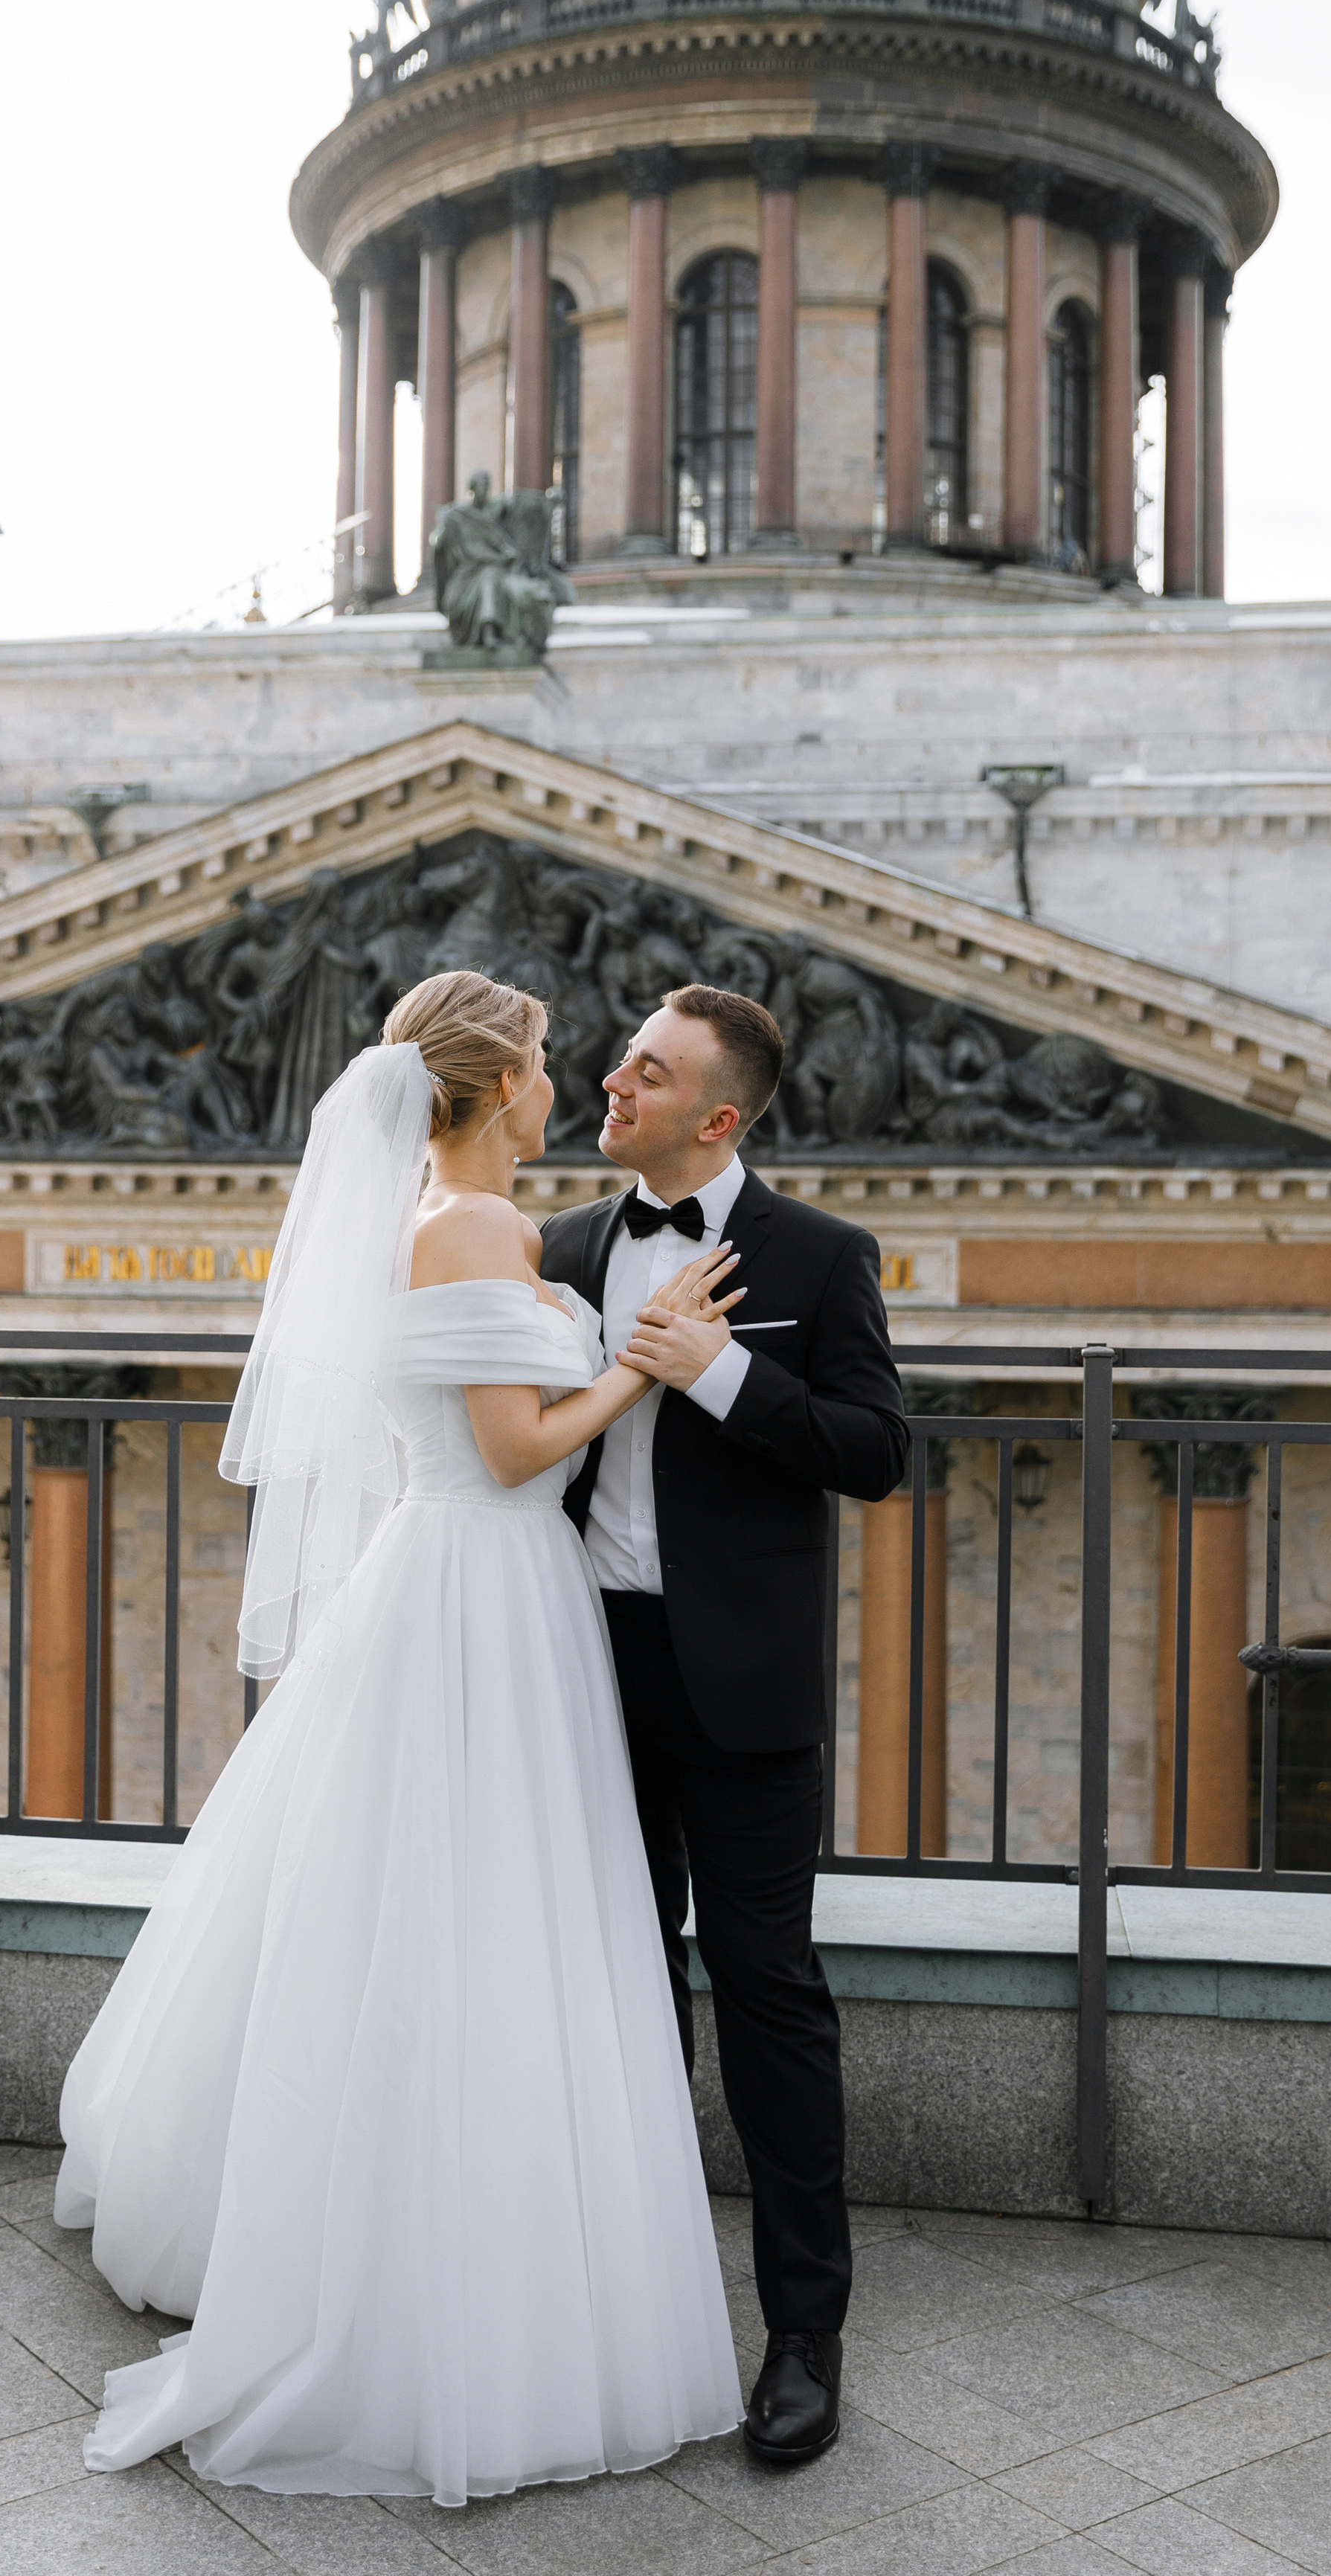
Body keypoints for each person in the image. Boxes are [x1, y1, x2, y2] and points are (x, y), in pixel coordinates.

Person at [54, 971, 745, 2502]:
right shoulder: (473, 1228)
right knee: (480, 1912)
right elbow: (507, 1452)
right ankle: (451, 2277)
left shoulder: (456, 1221)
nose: (565, 1085)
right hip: (482, 1584)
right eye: (549, 1061)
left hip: (477, 1587)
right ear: (496, 1084)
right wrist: (642, 1363)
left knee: (439, 1908)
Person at [539, 985, 909, 2464]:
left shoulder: (820, 1256)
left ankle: (804, 2338)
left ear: (719, 1116)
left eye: (647, 1070)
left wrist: (725, 1375)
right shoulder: (561, 1247)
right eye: (620, 1060)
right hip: (580, 1671)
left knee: (768, 2000)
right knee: (606, 1995)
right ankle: (613, 2315)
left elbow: (875, 1451)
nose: (611, 1080)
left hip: (744, 1691)